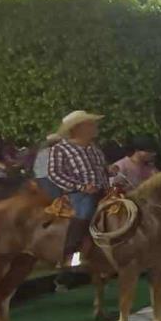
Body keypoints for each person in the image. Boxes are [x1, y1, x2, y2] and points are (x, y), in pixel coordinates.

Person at [47, 110, 110, 267]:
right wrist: (80, 186)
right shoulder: (61, 149)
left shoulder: (94, 148)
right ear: (77, 128)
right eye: (90, 124)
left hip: (104, 190)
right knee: (85, 212)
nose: (95, 127)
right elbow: (54, 173)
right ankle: (70, 254)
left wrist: (109, 170)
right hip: (80, 194)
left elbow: (101, 169)